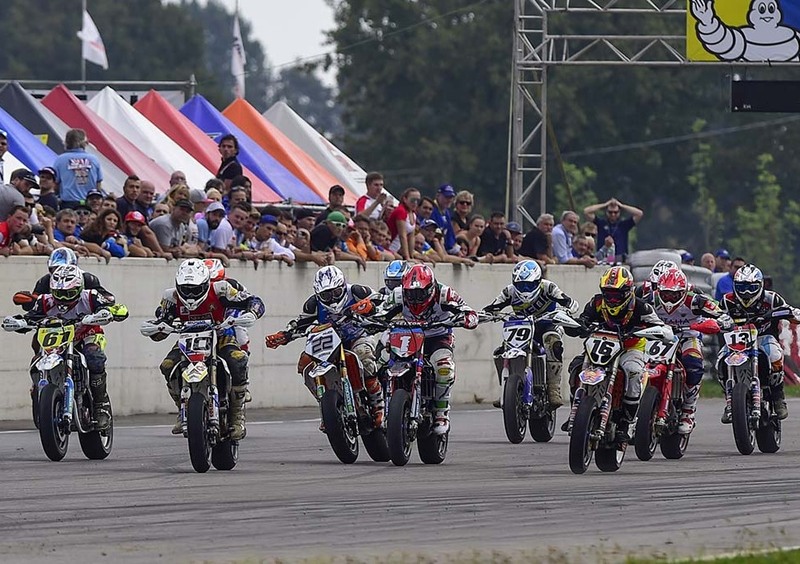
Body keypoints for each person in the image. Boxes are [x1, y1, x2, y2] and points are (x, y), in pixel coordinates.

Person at [143, 259, 265, 438]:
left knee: (237, 359)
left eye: (195, 289)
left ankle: (237, 415)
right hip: (187, 338)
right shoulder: (171, 297)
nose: (190, 294)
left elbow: (253, 301)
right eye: (186, 289)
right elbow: (162, 320)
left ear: (206, 283)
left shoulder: (222, 289)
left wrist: (251, 313)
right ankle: (181, 408)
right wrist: (157, 328)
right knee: (167, 365)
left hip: (220, 334)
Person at [358, 264, 481, 435]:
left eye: (419, 293)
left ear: (430, 288)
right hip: (407, 335)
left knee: (444, 367)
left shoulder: (444, 294)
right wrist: (370, 321)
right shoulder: (398, 295)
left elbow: (468, 311)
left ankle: (441, 412)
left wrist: (467, 319)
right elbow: (381, 313)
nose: (415, 298)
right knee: (381, 365)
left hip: (437, 337)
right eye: (411, 293)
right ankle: (382, 407)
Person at [265, 266, 385, 427]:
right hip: (330, 342)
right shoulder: (313, 304)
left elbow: (382, 300)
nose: (333, 298)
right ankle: (327, 408)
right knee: (305, 363)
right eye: (326, 295)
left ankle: (378, 405)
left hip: (358, 335)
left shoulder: (357, 291)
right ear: (318, 294)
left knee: (364, 355)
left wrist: (370, 307)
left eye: (336, 292)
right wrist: (284, 335)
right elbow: (300, 323)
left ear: (343, 286)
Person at [566, 266, 670, 442]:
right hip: (601, 345)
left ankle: (627, 420)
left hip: (631, 347)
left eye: (617, 294)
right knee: (575, 367)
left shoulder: (641, 306)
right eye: (608, 294)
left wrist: (644, 331)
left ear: (628, 291)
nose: (612, 299)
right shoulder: (597, 302)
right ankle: (576, 412)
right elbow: (584, 319)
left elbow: (662, 327)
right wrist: (580, 326)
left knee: (634, 372)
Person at [20, 265, 127, 429]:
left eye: (68, 294)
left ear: (79, 289)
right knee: (36, 359)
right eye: (58, 294)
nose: (63, 299)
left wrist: (111, 312)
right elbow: (30, 317)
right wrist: (19, 323)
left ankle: (100, 405)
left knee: (94, 356)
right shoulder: (45, 301)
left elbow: (116, 308)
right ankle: (42, 394)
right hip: (59, 339)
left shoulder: (91, 297)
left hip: (87, 334)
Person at [483, 260, 580, 409]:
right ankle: (505, 387)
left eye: (529, 285)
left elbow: (569, 302)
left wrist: (568, 309)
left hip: (547, 324)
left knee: (552, 342)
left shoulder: (548, 287)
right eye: (521, 285)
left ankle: (553, 387)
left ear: (538, 281)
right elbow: (492, 307)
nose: (525, 289)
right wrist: (486, 315)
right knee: (501, 350)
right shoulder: (509, 291)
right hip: (521, 327)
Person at [652, 267, 732, 433]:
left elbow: (720, 313)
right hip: (660, 338)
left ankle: (688, 410)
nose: (669, 298)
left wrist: (722, 321)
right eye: (665, 293)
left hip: (689, 336)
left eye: (673, 294)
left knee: (693, 364)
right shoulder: (651, 299)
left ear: (683, 291)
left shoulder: (695, 300)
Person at [716, 264, 800, 422]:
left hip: (763, 337)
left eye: (751, 287)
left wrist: (790, 313)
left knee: (775, 355)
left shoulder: (771, 298)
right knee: (719, 362)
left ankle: (777, 397)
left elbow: (792, 311)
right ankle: (729, 401)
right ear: (735, 286)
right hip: (736, 340)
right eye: (742, 287)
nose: (746, 292)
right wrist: (716, 322)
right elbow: (715, 315)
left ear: (760, 286)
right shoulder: (727, 301)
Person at [52, 129, 103, 209]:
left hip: (68, 203)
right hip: (90, 202)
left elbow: (55, 184)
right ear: (85, 142)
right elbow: (98, 184)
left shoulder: (60, 160)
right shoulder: (94, 159)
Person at [583, 198, 643, 262]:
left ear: (619, 212)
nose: (613, 214)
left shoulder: (624, 225)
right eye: (610, 212)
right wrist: (605, 205)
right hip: (603, 258)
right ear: (606, 212)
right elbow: (586, 211)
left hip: (620, 259)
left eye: (615, 212)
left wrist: (621, 205)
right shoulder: (601, 223)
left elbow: (639, 213)